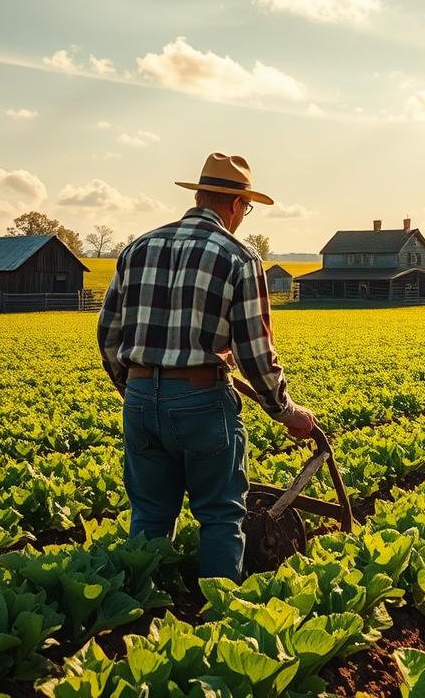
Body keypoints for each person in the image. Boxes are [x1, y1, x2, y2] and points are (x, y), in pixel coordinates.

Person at [97, 152, 317, 581]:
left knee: (149, 514)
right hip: (201, 399)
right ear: (236, 204)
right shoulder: (239, 256)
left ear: (198, 195)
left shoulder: (137, 248)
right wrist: (285, 411)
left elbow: (108, 334)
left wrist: (136, 388)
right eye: (246, 209)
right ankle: (218, 623)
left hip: (140, 399)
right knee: (219, 516)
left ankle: (141, 615)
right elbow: (254, 352)